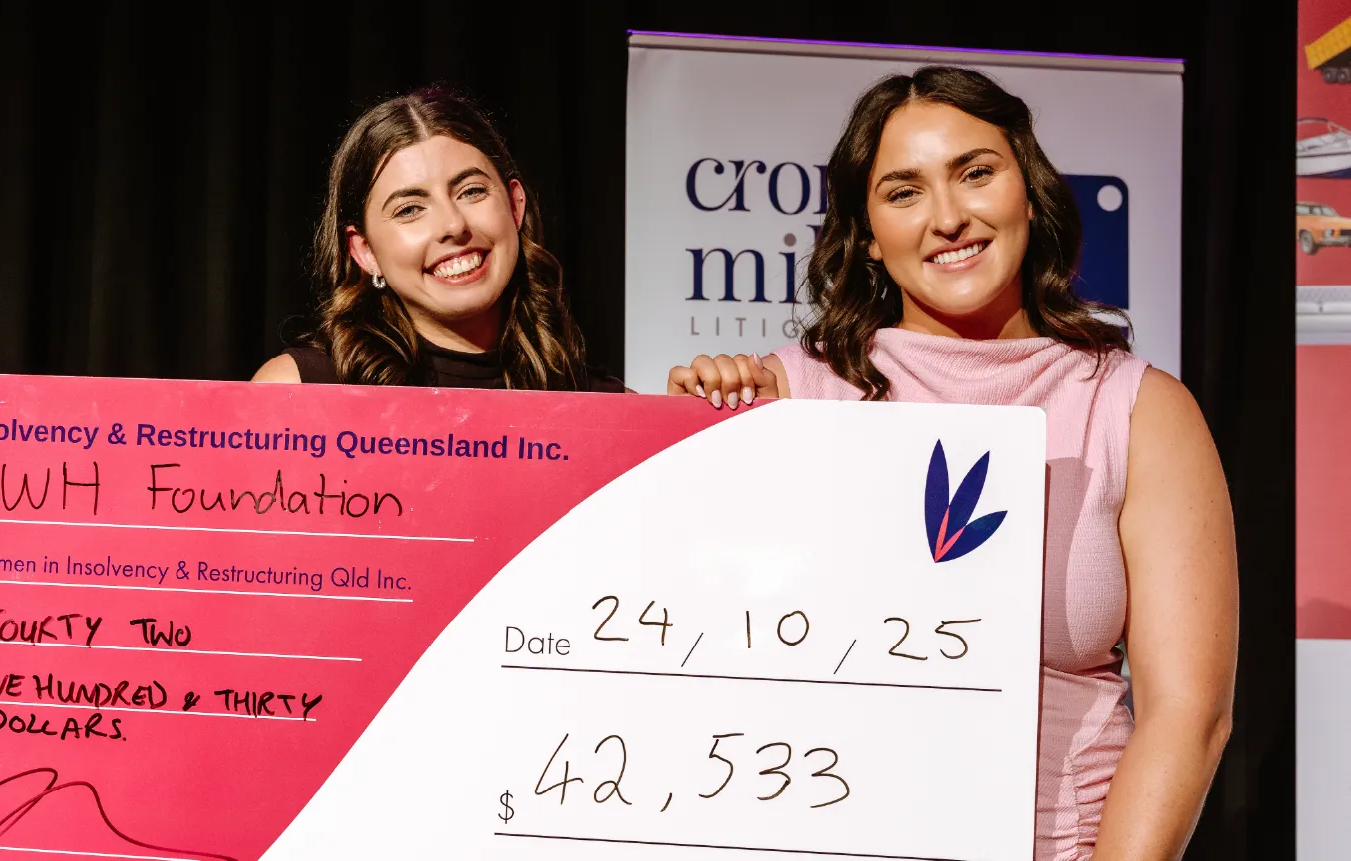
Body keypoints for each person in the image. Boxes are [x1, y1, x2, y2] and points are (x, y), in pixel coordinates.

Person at [671, 67, 1236, 860]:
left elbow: (1190, 712)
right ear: (866, 231)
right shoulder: (787, 394)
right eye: (903, 192)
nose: (948, 217)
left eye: (975, 172)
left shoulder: (1138, 409)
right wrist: (691, 434)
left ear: (1028, 191)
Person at [253, 86, 624, 392]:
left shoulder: (609, 407)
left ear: (515, 205)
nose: (452, 225)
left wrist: (676, 437)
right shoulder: (295, 393)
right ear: (365, 252)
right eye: (410, 209)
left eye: (471, 191)